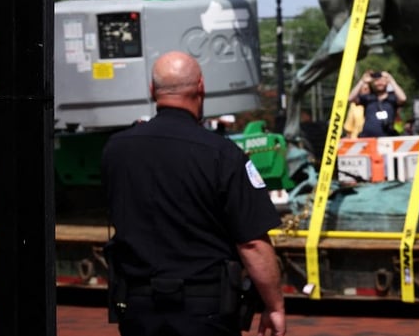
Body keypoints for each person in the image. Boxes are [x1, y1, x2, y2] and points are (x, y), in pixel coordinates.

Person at [101, 51, 286, 336]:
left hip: (138, 307)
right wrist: (274, 305)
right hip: (204, 309)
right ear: (201, 86)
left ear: (153, 91)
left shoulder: (116, 150)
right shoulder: (222, 155)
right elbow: (252, 244)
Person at [347, 70, 407, 138]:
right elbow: (350, 98)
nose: (380, 83)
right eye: (377, 81)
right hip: (367, 138)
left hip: (387, 139)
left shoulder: (392, 98)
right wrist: (362, 81)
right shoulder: (368, 98)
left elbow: (403, 98)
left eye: (382, 81)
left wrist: (391, 80)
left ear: (387, 82)